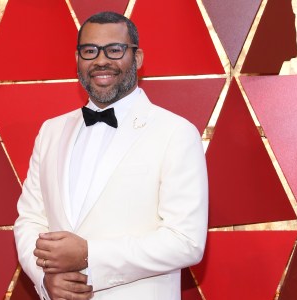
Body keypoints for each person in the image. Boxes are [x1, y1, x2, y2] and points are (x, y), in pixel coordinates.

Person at [14, 11, 208, 300]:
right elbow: (29, 220)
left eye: (114, 50)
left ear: (137, 58)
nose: (101, 60)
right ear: (78, 59)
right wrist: (45, 279)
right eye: (89, 51)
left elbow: (186, 241)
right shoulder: (51, 131)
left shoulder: (176, 132)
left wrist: (89, 255)